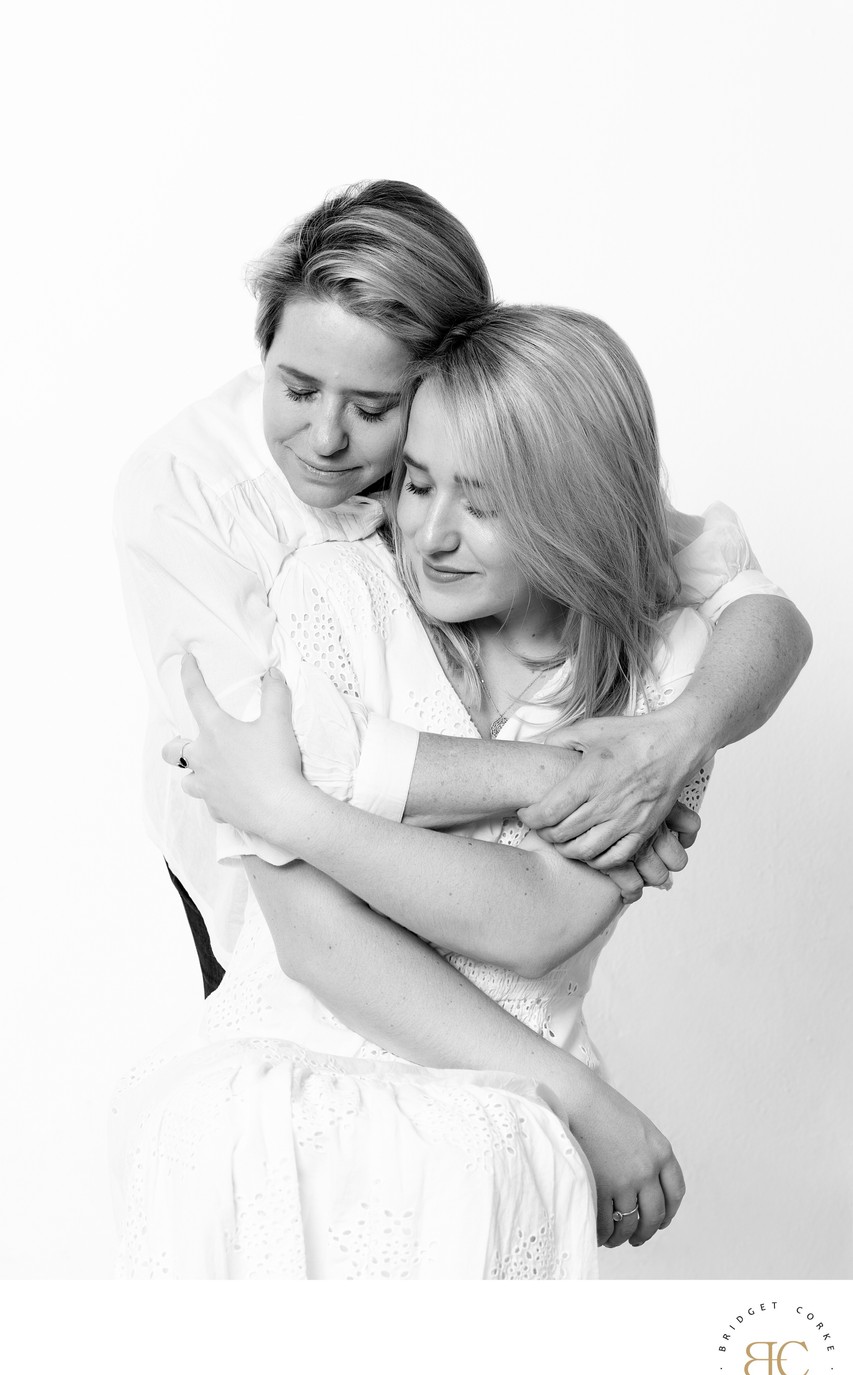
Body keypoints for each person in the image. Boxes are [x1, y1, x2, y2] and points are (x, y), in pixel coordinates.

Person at [112, 305, 809, 1279]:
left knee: (476, 1159)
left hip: (501, 1114)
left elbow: (535, 922)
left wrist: (294, 811)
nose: (429, 534)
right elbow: (313, 941)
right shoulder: (326, 593)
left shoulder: (671, 670)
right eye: (417, 483)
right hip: (283, 1073)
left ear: (575, 509)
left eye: (478, 503)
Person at [114, 179, 812, 998]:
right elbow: (275, 764)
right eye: (296, 388)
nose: (326, 437)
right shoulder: (182, 489)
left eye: (374, 407)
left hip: (441, 869)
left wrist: (675, 739)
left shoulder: (468, 446)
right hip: (239, 867)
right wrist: (573, 780)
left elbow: (748, 599)